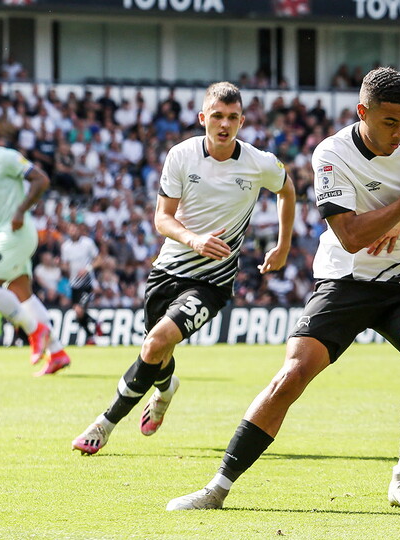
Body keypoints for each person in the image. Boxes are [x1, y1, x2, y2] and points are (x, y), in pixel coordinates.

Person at [166, 67, 400, 514]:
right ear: (363, 112)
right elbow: (352, 236)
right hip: (343, 280)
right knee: (291, 376)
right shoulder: (331, 154)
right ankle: (218, 487)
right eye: (389, 122)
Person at [71, 82, 296, 455]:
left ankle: (104, 424)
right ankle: (165, 390)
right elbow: (162, 218)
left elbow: (287, 191)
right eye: (218, 116)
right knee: (154, 353)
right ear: (202, 118)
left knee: (156, 343)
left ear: (242, 121)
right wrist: (194, 239)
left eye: (233, 118)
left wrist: (283, 244)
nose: (225, 125)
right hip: (167, 270)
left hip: (213, 279)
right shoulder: (181, 155)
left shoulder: (259, 162)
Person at [0, 111, 72, 376]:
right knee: (22, 292)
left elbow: (41, 179)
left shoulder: (6, 157)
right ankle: (57, 352)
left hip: (16, 232)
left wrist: (20, 211)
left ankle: (34, 330)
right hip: (2, 235)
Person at [60, 223, 101, 343]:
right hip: (74, 284)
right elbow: (66, 266)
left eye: (74, 229)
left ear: (79, 230)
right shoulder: (65, 247)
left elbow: (99, 260)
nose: (73, 231)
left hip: (87, 283)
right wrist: (60, 265)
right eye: (70, 229)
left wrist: (87, 269)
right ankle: (93, 327)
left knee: (79, 310)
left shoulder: (87, 243)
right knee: (78, 313)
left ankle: (90, 336)